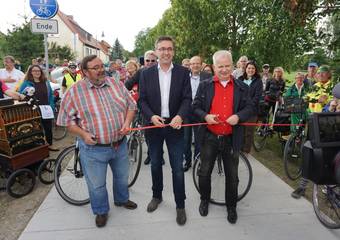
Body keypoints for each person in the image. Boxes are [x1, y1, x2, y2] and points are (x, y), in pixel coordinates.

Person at [57, 55, 138, 228]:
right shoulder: (74, 92)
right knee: (97, 185)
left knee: (122, 178)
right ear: (85, 71)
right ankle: (101, 211)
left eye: (102, 66)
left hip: (119, 144)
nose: (101, 69)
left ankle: (122, 200)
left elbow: (131, 105)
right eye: (96, 67)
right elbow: (66, 121)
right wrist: (83, 134)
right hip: (94, 150)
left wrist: (126, 123)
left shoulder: (116, 84)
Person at [192, 50, 253, 224]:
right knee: (204, 172)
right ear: (214, 67)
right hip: (209, 137)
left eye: (227, 66)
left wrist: (239, 117)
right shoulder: (205, 85)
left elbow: (250, 108)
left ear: (233, 66)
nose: (224, 70)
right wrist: (205, 116)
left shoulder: (242, 87)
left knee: (232, 176)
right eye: (220, 66)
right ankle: (205, 199)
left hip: (231, 138)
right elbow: (195, 106)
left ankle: (231, 206)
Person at [139, 36, 191, 225]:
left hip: (175, 125)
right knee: (154, 165)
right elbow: (142, 100)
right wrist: (151, 116)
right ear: (156, 51)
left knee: (177, 168)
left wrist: (180, 116)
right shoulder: (146, 73)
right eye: (162, 49)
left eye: (169, 49)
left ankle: (180, 205)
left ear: (173, 51)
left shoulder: (183, 73)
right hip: (154, 125)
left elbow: (187, 99)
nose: (166, 52)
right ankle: (157, 195)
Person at [291, 65, 334, 199]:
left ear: (329, 75)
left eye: (324, 73)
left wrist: (319, 100)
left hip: (327, 126)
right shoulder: (315, 86)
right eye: (319, 73)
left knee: (327, 156)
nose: (320, 75)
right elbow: (306, 97)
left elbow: (328, 100)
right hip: (312, 122)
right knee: (308, 152)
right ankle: (303, 187)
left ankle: (330, 189)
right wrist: (310, 100)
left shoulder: (332, 87)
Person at [124, 50, 164, 166]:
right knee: (148, 133)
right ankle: (151, 155)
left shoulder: (161, 72)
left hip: (159, 107)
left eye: (153, 60)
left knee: (160, 133)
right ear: (144, 61)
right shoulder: (141, 72)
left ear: (156, 61)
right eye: (148, 60)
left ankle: (159, 155)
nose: (150, 63)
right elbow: (128, 85)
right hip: (145, 107)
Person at [19, 65, 57, 151]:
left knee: (48, 128)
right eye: (34, 71)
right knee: (36, 129)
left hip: (46, 108)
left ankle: (49, 144)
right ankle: (39, 147)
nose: (37, 72)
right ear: (30, 72)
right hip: (34, 109)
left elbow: (50, 94)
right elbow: (21, 95)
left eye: (38, 71)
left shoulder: (46, 82)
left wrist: (51, 105)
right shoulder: (26, 83)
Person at [183, 56, 211, 171]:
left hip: (200, 112)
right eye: (193, 63)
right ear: (190, 65)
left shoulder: (207, 76)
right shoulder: (183, 77)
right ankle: (187, 161)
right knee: (186, 139)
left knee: (199, 140)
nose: (195, 65)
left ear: (201, 65)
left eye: (197, 63)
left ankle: (197, 162)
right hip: (186, 112)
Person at [237, 61, 263, 153]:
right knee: (240, 131)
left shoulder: (258, 81)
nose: (250, 70)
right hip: (240, 110)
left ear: (255, 70)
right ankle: (238, 148)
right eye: (249, 68)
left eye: (253, 68)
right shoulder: (240, 79)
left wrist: (248, 107)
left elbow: (257, 97)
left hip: (252, 111)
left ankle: (246, 151)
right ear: (246, 69)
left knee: (248, 132)